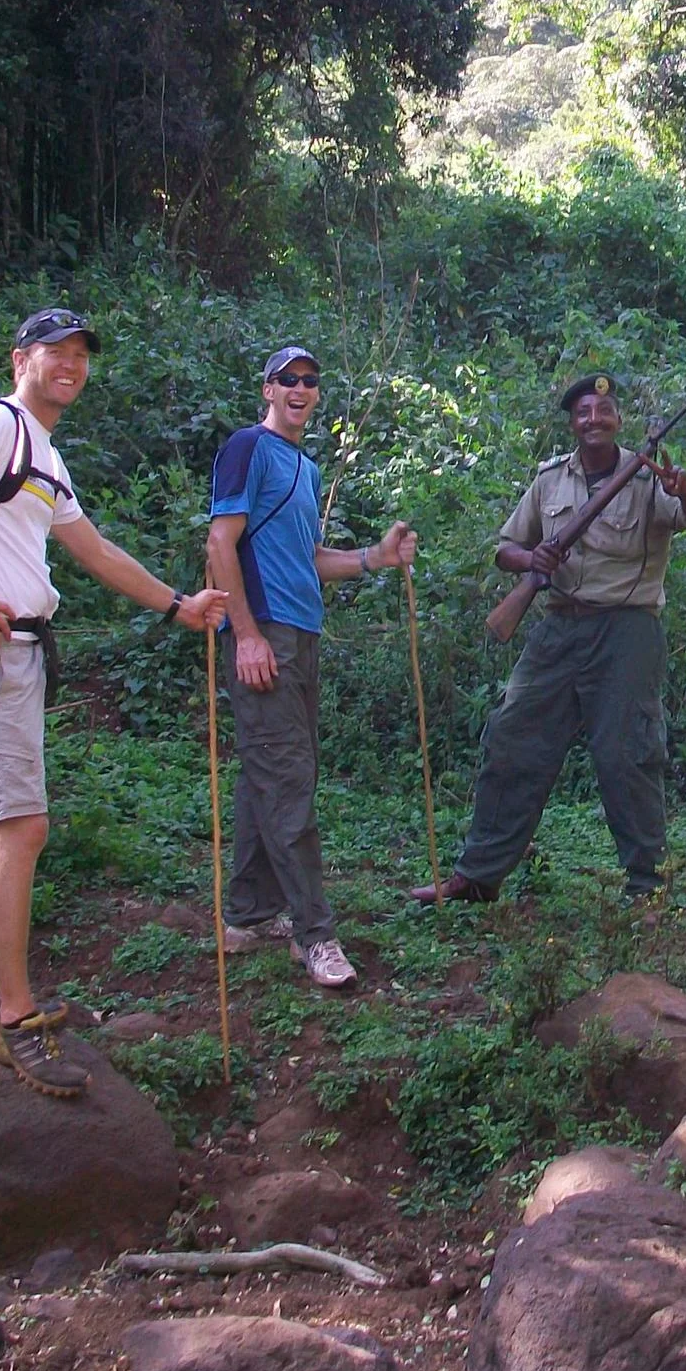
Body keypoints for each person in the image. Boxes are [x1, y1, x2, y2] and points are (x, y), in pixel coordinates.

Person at [0, 308, 228, 1100]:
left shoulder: (43, 453)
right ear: (21, 358)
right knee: (23, 825)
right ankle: (15, 1017)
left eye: (81, 353)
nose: (71, 364)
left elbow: (94, 549)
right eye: (57, 351)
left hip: (10, 652)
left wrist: (176, 603)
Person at [409, 373, 686, 907]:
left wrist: (682, 487)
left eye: (604, 410)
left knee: (628, 755)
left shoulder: (647, 480)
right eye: (583, 412)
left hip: (626, 631)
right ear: (572, 423)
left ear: (619, 420)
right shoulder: (550, 480)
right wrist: (533, 560)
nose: (593, 419)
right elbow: (505, 548)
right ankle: (477, 876)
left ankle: (647, 889)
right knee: (511, 738)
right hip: (558, 626)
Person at [205, 345, 418, 991]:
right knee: (289, 776)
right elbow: (220, 540)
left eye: (310, 381)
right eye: (287, 379)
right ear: (267, 388)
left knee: (267, 773)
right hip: (263, 630)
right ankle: (315, 933)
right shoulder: (248, 446)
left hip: (300, 632)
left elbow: (308, 555)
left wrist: (373, 559)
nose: (300, 388)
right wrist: (244, 634)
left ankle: (245, 914)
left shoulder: (304, 465)